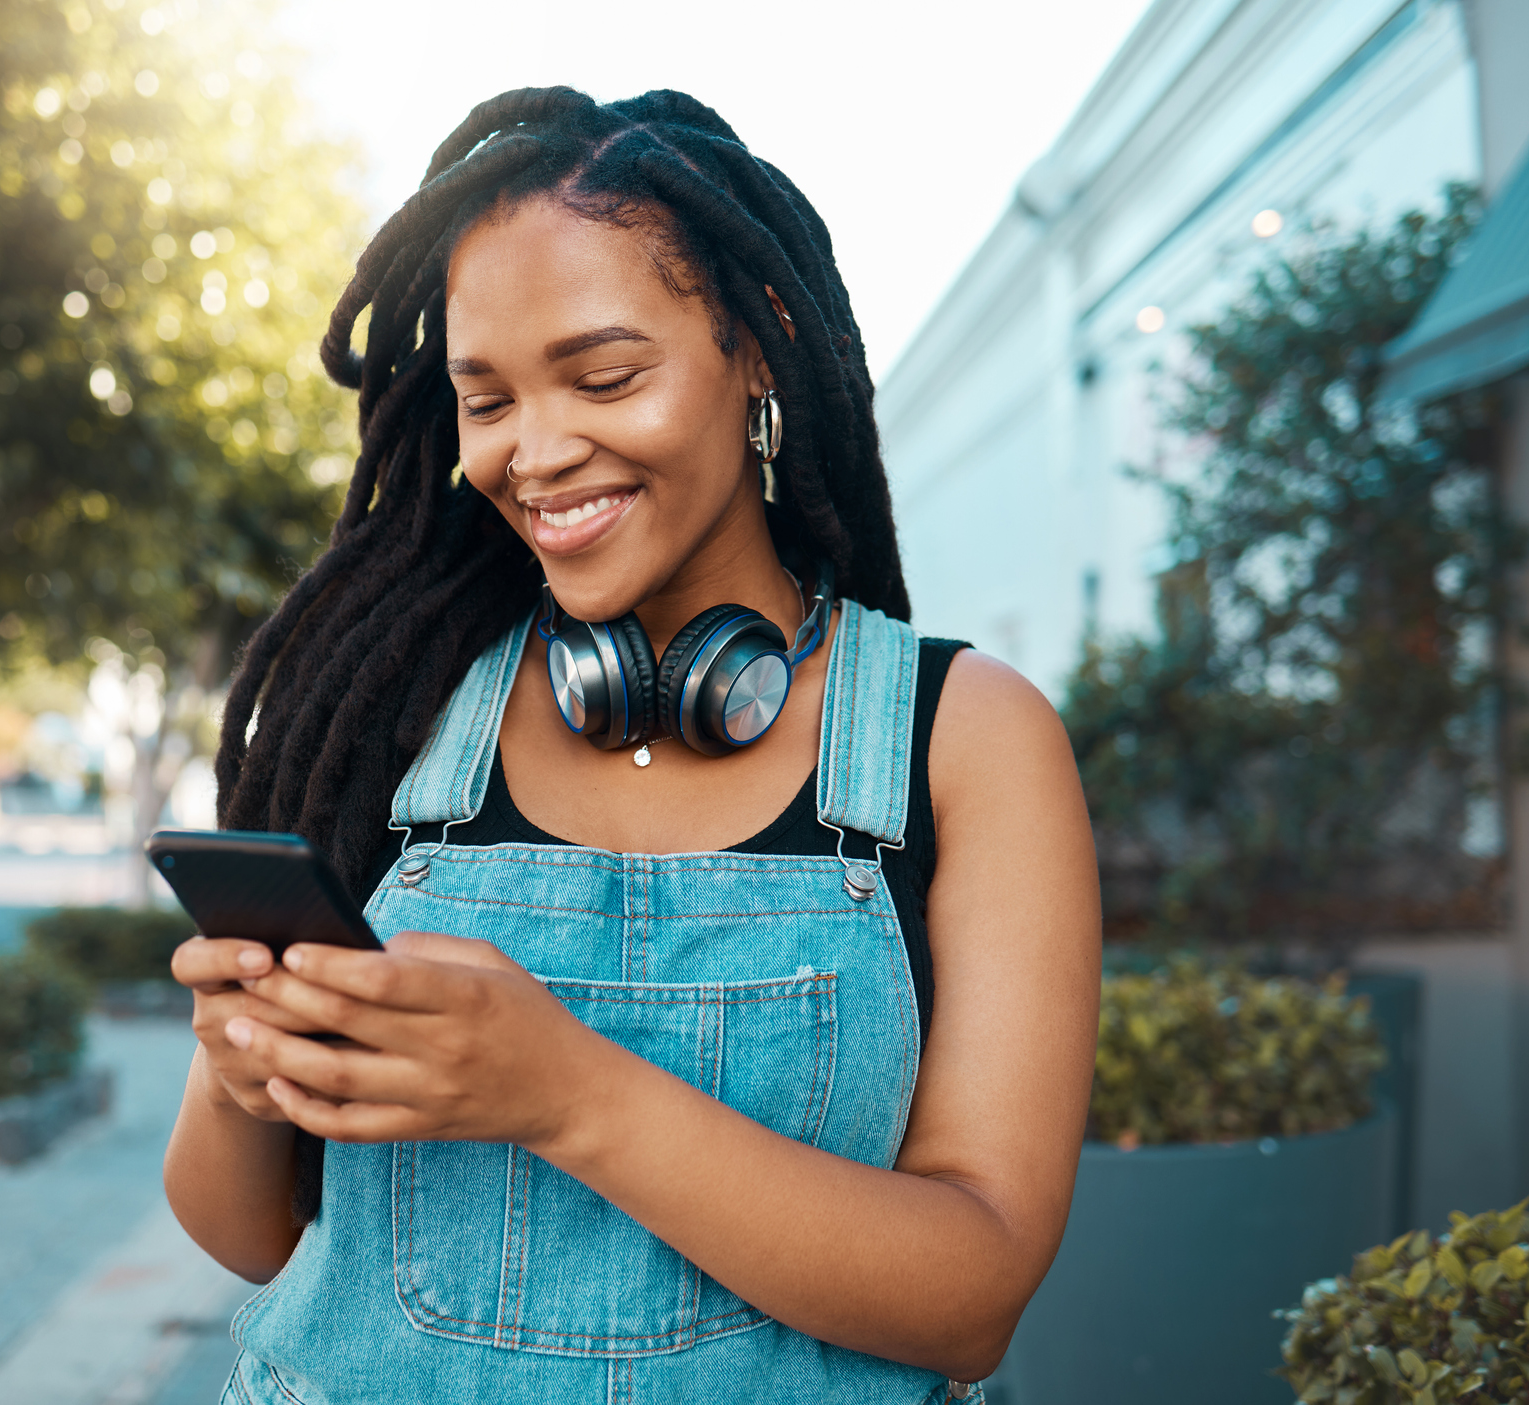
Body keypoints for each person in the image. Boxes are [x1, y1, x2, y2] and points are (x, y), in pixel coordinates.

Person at [165, 87, 1100, 1404]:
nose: (535, 454)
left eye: (604, 377)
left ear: (759, 346)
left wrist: (561, 1092)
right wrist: (238, 1071)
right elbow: (249, 1231)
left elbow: (973, 1296)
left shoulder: (961, 739)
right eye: (484, 401)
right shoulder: (393, 705)